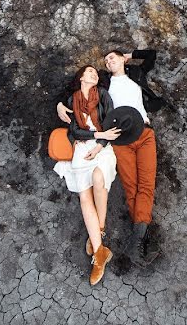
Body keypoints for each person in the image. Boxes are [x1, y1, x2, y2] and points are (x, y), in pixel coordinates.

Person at [58, 49, 164, 264]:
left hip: (144, 133)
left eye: (112, 57)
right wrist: (60, 103)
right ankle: (142, 238)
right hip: (120, 139)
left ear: (122, 60)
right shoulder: (103, 83)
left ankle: (137, 240)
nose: (108, 61)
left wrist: (130, 54)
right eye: (106, 61)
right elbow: (78, 86)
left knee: (146, 185)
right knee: (131, 188)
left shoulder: (136, 74)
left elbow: (152, 54)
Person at [53, 65, 122, 285]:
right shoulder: (73, 99)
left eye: (95, 73)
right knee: (84, 197)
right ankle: (100, 253)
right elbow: (74, 130)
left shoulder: (102, 94)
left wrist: (100, 143)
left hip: (102, 146)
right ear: (81, 77)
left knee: (99, 179)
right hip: (82, 147)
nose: (93, 75)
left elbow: (112, 123)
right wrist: (96, 134)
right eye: (89, 72)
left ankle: (98, 233)